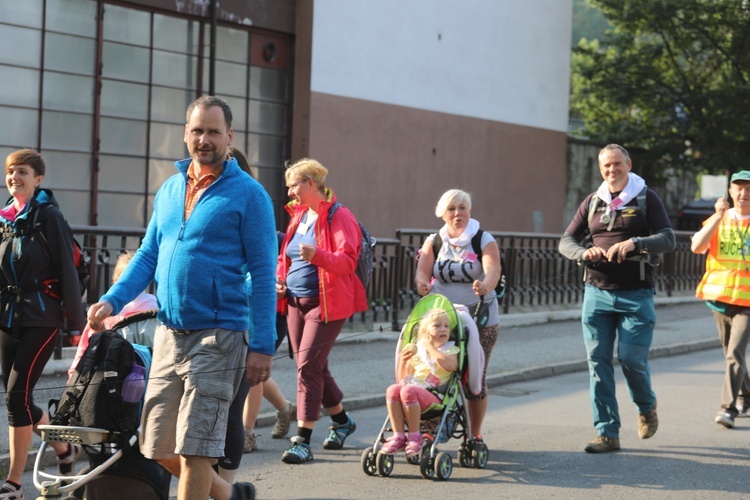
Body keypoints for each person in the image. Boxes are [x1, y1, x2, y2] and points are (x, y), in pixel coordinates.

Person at [87, 96, 277, 500]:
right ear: (185, 134)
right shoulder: (171, 189)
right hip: (169, 334)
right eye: (197, 130)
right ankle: (231, 495)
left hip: (219, 335)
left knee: (196, 450)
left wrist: (262, 345)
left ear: (229, 136)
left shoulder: (250, 195)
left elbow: (263, 275)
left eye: (212, 131)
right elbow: (148, 254)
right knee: (154, 444)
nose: (204, 139)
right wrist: (112, 299)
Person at [558, 143, 676, 453]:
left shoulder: (646, 197)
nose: (612, 170)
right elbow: (566, 241)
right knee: (598, 363)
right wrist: (584, 252)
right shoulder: (593, 201)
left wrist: (636, 243)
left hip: (636, 296)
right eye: (606, 165)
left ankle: (646, 407)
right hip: (597, 294)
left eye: (617, 164)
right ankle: (607, 433)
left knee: (631, 360)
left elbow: (668, 238)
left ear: (628, 164)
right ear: (601, 169)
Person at [0, 149, 86, 500]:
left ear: (38, 178)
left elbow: (68, 268)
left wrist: (77, 327)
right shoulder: (5, 218)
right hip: (8, 317)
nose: (14, 178)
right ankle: (65, 450)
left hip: (42, 316)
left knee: (16, 398)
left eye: (22, 172)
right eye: (9, 172)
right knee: (16, 398)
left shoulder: (48, 216)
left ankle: (14, 483)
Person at [276, 158, 368, 464]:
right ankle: (342, 422)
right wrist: (279, 281)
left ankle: (302, 440)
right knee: (314, 365)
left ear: (311, 184)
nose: (290, 191)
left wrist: (319, 256)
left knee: (307, 366)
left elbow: (347, 262)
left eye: (293, 184)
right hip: (294, 303)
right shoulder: (298, 216)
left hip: (326, 304)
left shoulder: (340, 217)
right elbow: (284, 257)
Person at [414, 189, 501, 445]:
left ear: (469, 211)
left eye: (462, 208)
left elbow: (493, 269)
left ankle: (475, 435)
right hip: (441, 320)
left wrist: (485, 285)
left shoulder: (483, 239)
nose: (457, 213)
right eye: (451, 209)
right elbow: (422, 271)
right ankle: (432, 426)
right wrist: (421, 284)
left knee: (474, 378)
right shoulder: (435, 241)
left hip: (479, 318)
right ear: (442, 213)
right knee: (433, 371)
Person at [691, 170, 750, 429]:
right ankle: (745, 394)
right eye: (739, 188)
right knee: (730, 353)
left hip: (747, 302)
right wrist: (717, 215)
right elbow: (696, 246)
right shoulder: (718, 220)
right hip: (720, 298)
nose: (743, 193)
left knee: (735, 351)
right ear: (730, 192)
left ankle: (727, 409)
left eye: (748, 189)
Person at [379, 308, 459, 457]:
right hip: (413, 391)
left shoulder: (450, 349)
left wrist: (430, 347)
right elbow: (404, 378)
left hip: (435, 395)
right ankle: (399, 436)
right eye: (437, 325)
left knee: (408, 391)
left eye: (446, 326)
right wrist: (404, 360)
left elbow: (450, 366)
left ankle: (415, 436)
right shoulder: (419, 351)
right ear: (426, 331)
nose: (443, 329)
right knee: (392, 389)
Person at [68, 251, 158, 379]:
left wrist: (74, 375)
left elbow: (85, 348)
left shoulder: (104, 314)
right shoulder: (155, 314)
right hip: (147, 380)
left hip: (108, 379)